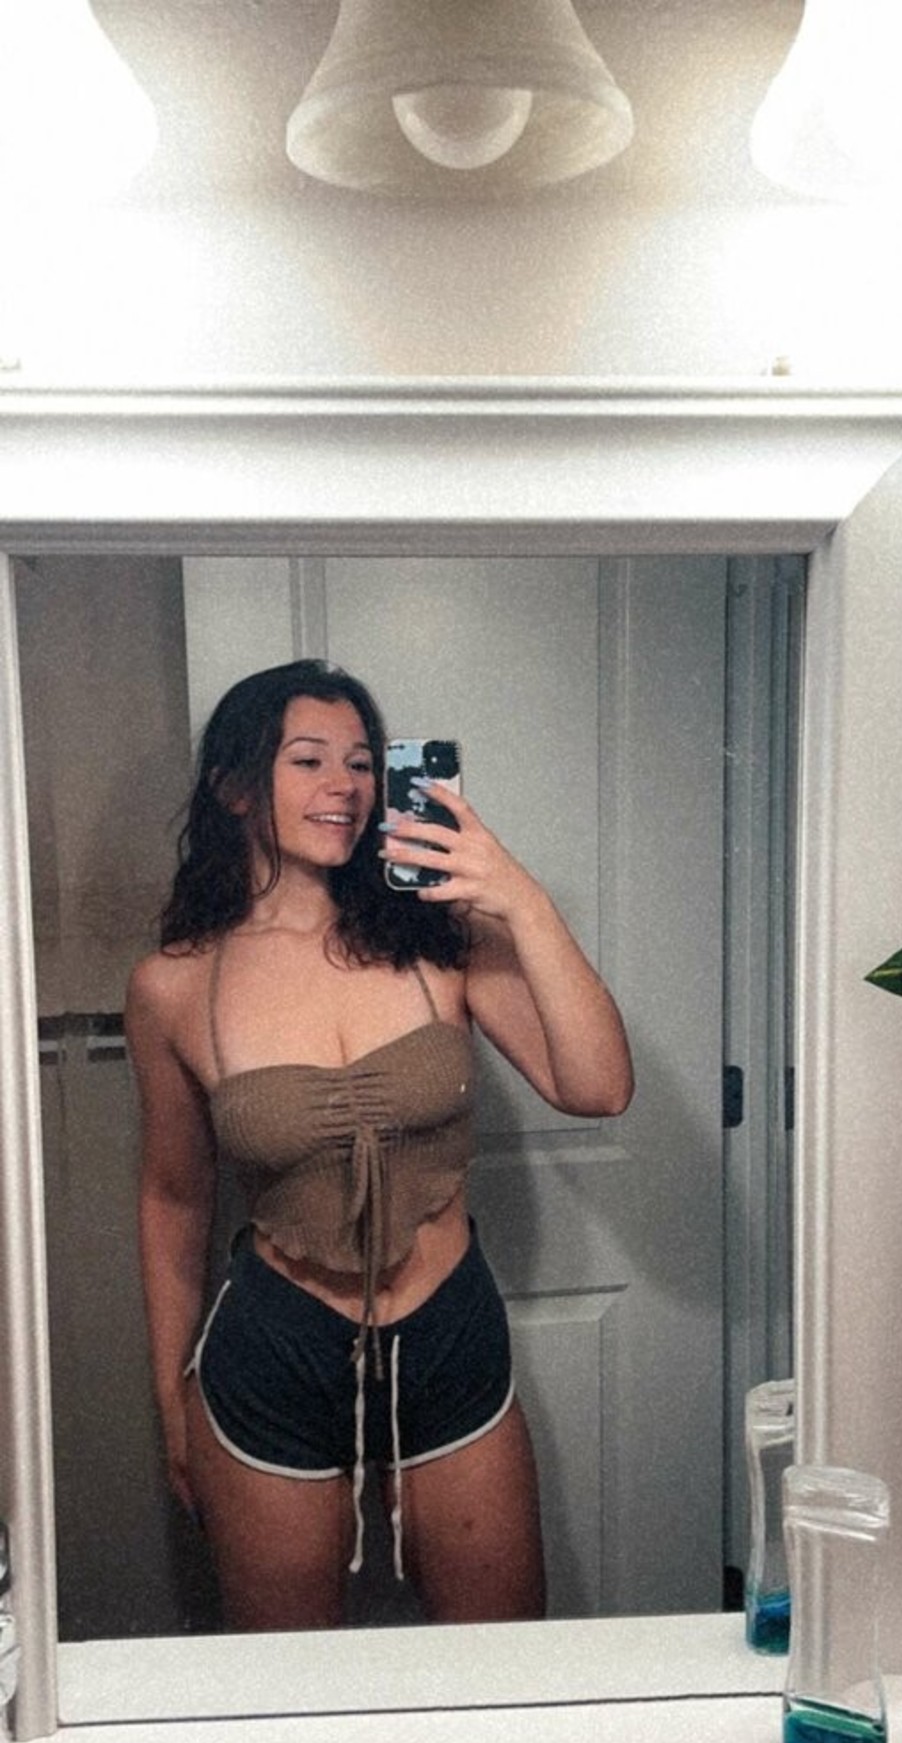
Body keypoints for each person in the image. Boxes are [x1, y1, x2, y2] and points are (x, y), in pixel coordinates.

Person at [125, 658, 633, 1633]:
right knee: (290, 1687)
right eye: (308, 758)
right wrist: (169, 1401)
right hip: (273, 1351)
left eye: (362, 762)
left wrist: (518, 897)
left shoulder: (441, 938)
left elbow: (598, 1085)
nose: (346, 785)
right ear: (235, 787)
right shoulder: (174, 984)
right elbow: (174, 1197)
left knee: (502, 1668)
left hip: (449, 1334)